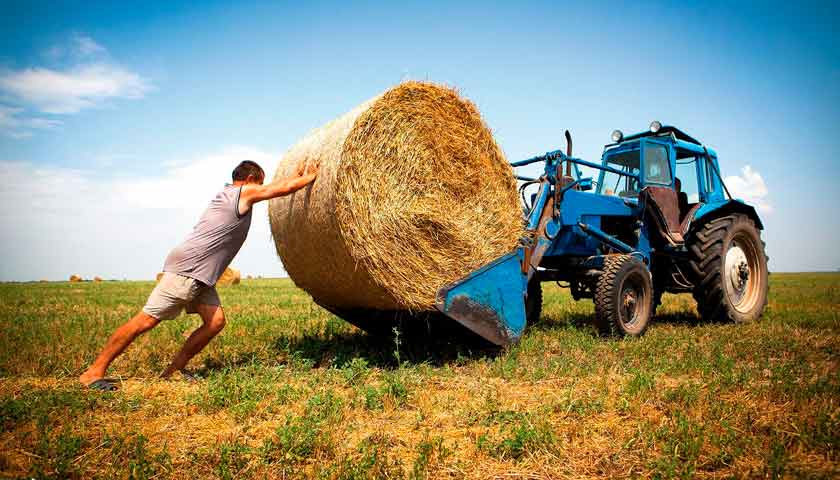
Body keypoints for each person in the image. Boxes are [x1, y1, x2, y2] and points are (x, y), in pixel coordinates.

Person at [79, 160, 318, 390]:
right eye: (260, 183)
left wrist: (295, 176)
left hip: (201, 273)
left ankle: (173, 371)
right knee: (146, 320)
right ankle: (94, 372)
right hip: (189, 269)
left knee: (215, 322)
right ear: (250, 179)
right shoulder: (241, 193)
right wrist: (309, 178)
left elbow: (277, 187)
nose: (260, 190)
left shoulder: (228, 195)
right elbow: (280, 189)